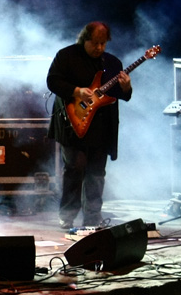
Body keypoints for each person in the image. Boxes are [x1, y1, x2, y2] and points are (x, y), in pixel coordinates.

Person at [47, 21, 132, 229]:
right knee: (75, 168)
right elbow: (52, 81)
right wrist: (77, 91)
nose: (99, 48)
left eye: (103, 43)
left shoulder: (112, 63)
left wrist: (126, 88)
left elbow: (120, 96)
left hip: (101, 127)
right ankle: (67, 216)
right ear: (84, 39)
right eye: (95, 43)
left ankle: (93, 217)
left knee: (97, 173)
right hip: (72, 124)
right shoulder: (66, 56)